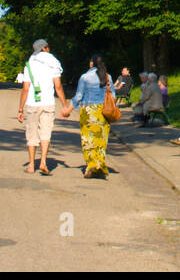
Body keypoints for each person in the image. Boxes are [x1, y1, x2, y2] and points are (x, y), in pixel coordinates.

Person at [17, 39, 72, 175]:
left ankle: (31, 165)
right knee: (45, 133)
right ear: (45, 48)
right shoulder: (54, 62)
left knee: (32, 134)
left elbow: (25, 88)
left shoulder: (29, 63)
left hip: (32, 103)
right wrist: (64, 105)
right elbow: (58, 86)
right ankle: (43, 162)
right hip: (48, 102)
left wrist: (20, 109)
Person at [72, 54, 113, 179]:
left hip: (89, 112)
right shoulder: (108, 77)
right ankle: (100, 165)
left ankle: (91, 166)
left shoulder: (85, 77)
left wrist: (68, 108)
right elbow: (114, 96)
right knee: (101, 140)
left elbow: (79, 96)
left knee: (88, 140)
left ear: (91, 63)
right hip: (104, 112)